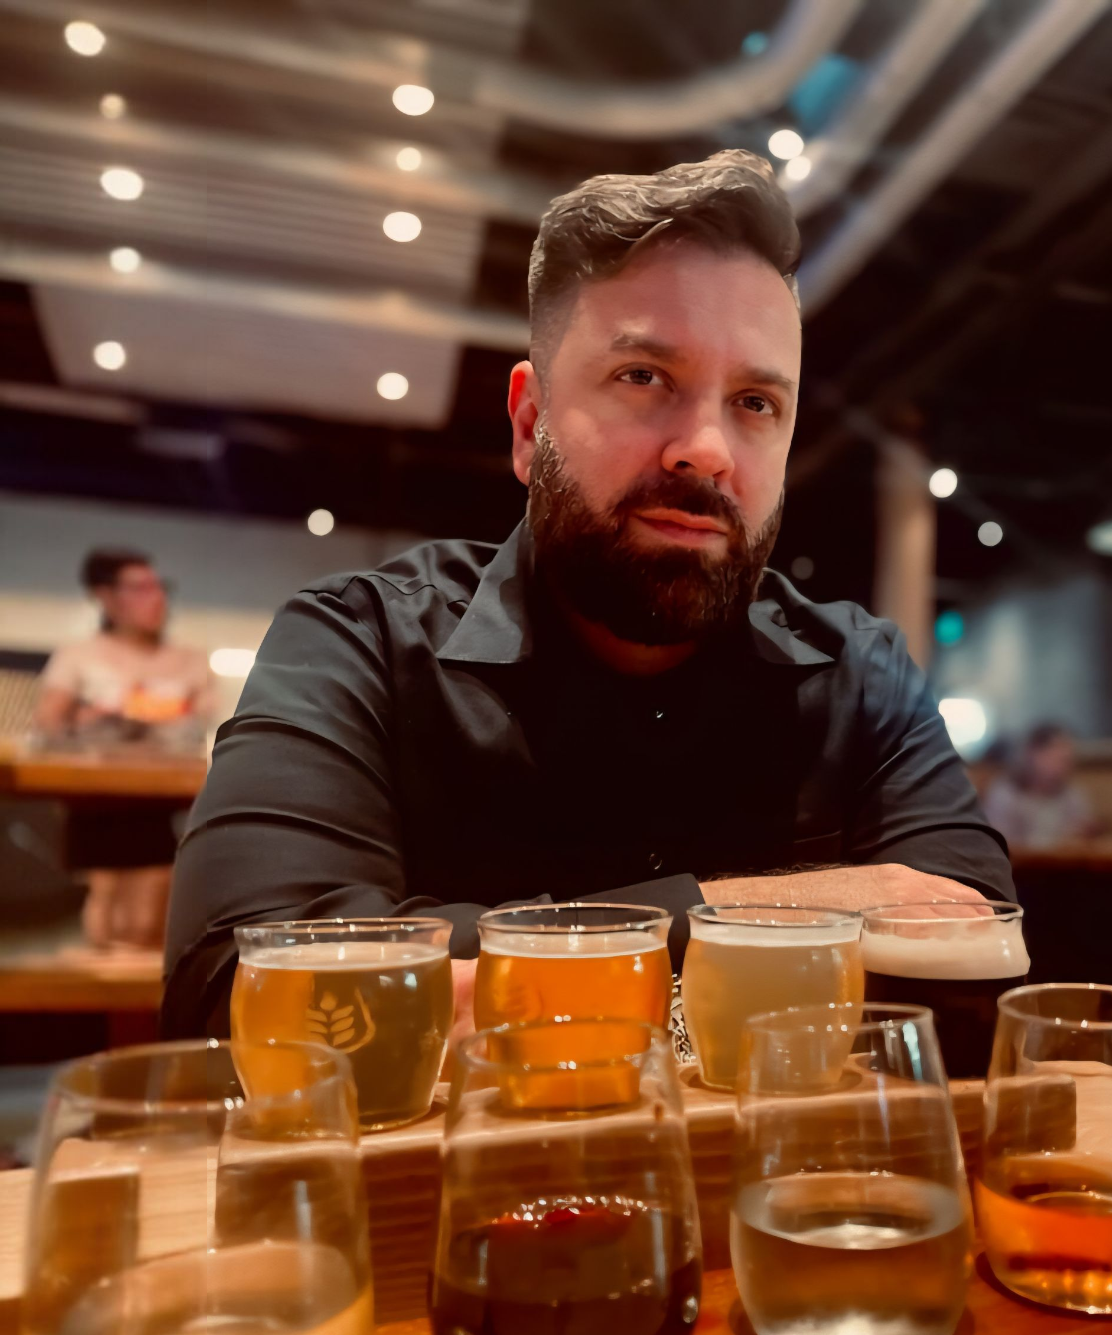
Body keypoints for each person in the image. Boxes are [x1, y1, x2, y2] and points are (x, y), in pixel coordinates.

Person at [162, 151, 1015, 1037]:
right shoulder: (360, 642)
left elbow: (973, 971)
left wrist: (471, 978)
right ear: (530, 424)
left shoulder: (861, 674)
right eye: (643, 377)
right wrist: (790, 913)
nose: (707, 449)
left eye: (756, 402)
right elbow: (241, 992)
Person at [33, 548, 212, 948]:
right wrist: (90, 719)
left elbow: (206, 726)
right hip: (97, 803)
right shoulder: (79, 656)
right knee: (105, 912)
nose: (156, 597)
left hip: (169, 803)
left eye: (159, 587)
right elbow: (46, 727)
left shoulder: (189, 660)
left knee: (154, 916)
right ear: (106, 596)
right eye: (141, 588)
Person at [982, 723, 1097, 849]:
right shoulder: (1005, 794)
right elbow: (999, 844)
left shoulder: (1071, 793)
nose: (1063, 767)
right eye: (1055, 757)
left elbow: (1083, 834)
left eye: (1066, 760)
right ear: (1032, 754)